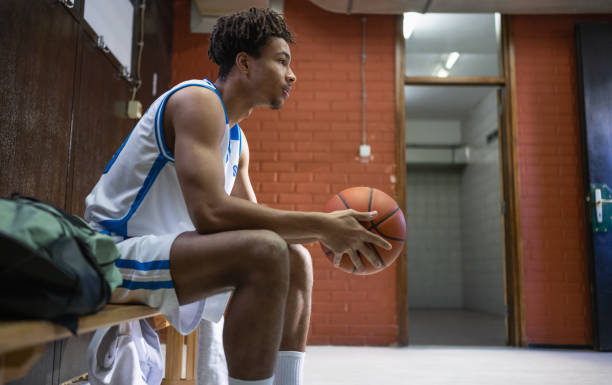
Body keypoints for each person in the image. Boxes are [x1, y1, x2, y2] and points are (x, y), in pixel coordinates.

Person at [84, 8, 391, 385]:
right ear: (245, 63)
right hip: (108, 254)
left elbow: (250, 219)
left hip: (162, 253)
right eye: (282, 61)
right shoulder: (197, 102)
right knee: (266, 253)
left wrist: (330, 232)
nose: (292, 75)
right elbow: (211, 214)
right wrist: (322, 224)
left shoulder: (237, 141)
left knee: (294, 257)